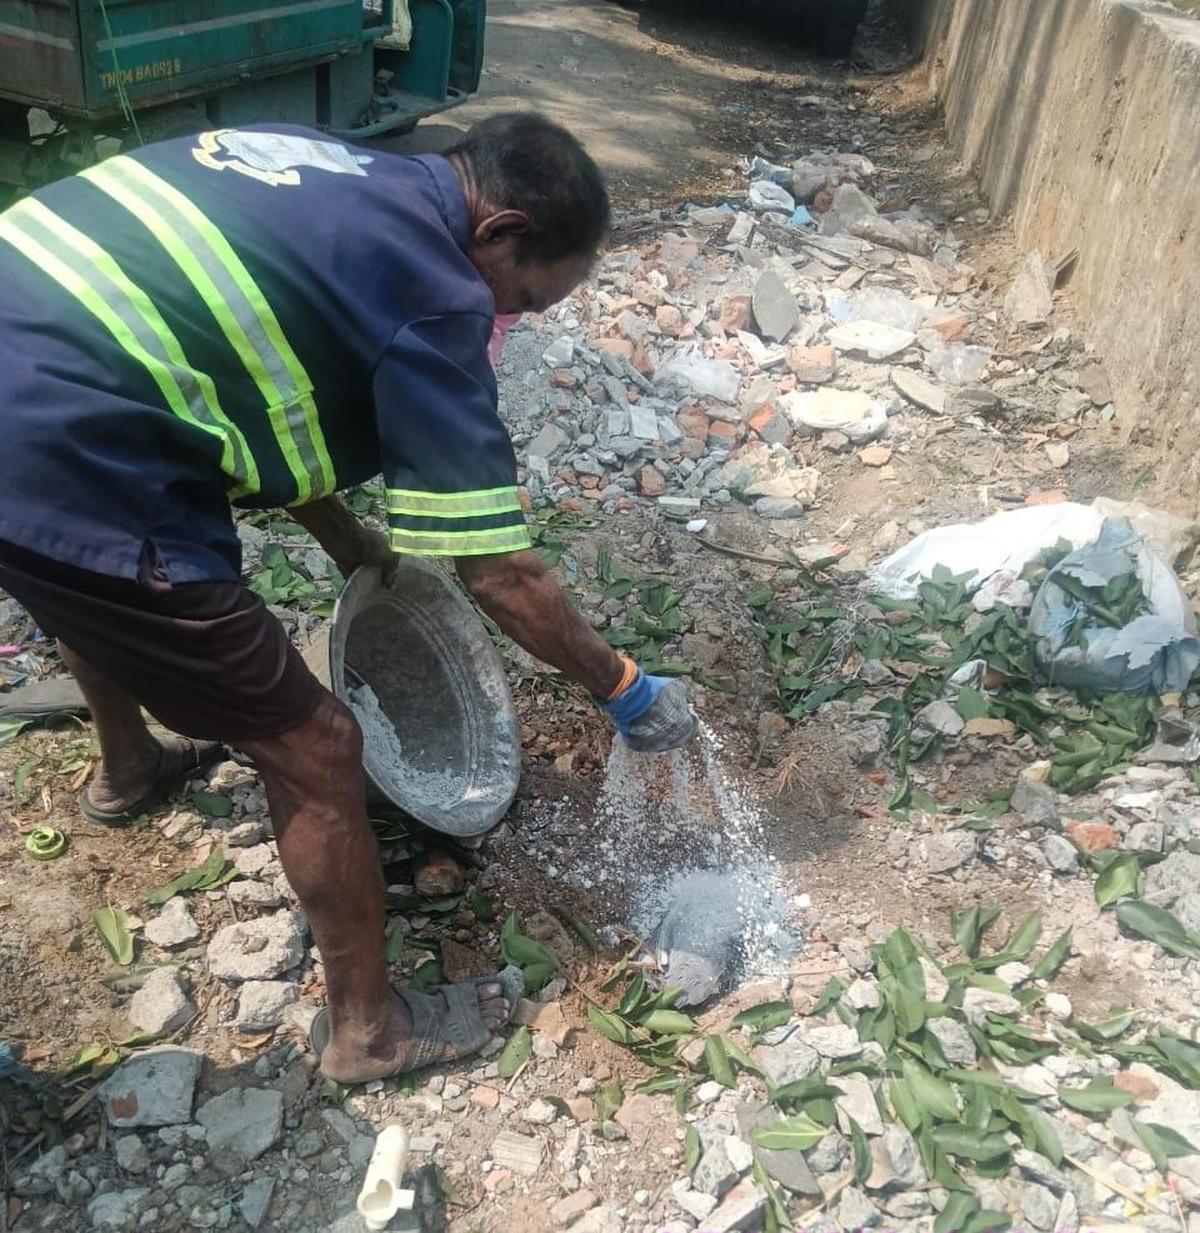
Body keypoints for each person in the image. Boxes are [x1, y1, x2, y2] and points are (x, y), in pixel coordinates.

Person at [0, 112, 697, 1082]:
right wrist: (622, 685)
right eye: (527, 301)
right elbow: (499, 572)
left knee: (79, 562)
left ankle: (128, 769)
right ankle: (372, 1033)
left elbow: (265, 369)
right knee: (318, 746)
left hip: (26, 335)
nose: (511, 321)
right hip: (59, 426)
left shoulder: (345, 174)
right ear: (498, 232)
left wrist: (350, 539)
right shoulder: (439, 292)